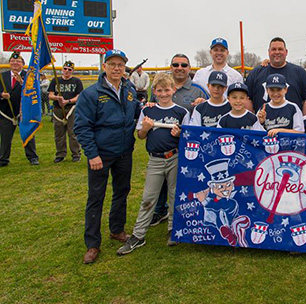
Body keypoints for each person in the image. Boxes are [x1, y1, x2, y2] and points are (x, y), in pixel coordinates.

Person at [74, 49, 141, 264]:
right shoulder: (91, 94)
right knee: (96, 197)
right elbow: (82, 126)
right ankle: (92, 244)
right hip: (100, 155)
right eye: (112, 64)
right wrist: (92, 154)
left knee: (122, 191)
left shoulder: (129, 90)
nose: (116, 68)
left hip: (124, 152)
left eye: (120, 65)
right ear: (104, 67)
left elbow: (137, 113)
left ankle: (117, 229)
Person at [117, 73, 189, 255]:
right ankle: (139, 235)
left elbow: (188, 138)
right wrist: (146, 128)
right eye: (160, 90)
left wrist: (180, 134)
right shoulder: (148, 111)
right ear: (154, 92)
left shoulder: (181, 112)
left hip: (175, 157)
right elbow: (140, 135)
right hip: (155, 159)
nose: (164, 94)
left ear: (173, 89)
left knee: (174, 195)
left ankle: (173, 230)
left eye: (167, 90)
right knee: (148, 198)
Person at [150, 53, 207, 227]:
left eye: (184, 65)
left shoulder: (198, 89)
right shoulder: (162, 87)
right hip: (162, 144)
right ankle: (160, 210)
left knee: (185, 181)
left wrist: (204, 101)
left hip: (188, 144)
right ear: (171, 67)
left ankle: (185, 213)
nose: (179, 68)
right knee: (161, 182)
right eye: (176, 64)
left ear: (189, 68)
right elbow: (153, 109)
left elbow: (210, 109)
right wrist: (150, 105)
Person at [246, 37, 306, 113]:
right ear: (268, 52)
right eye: (273, 49)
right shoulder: (256, 73)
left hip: (292, 124)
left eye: (280, 49)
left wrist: (303, 121)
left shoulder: (299, 72)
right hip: (262, 123)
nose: (277, 52)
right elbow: (247, 99)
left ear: (286, 52)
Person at [0, 52, 39, 166]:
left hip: (24, 112)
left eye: (18, 61)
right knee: (5, 138)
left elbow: (34, 92)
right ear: (9, 63)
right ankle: (3, 159)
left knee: (28, 135)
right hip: (6, 112)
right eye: (13, 61)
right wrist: (1, 95)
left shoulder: (28, 76)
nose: (15, 63)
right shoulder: (2, 76)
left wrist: (21, 83)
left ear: (23, 64)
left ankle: (33, 157)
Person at [48, 60, 84, 163]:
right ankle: (60, 154)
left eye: (69, 69)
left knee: (73, 132)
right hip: (58, 109)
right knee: (59, 133)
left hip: (71, 109)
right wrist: (57, 98)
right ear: (62, 69)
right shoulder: (55, 80)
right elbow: (50, 95)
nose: (67, 71)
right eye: (65, 69)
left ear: (72, 71)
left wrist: (68, 101)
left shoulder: (77, 81)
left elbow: (79, 96)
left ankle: (76, 154)